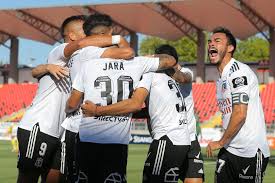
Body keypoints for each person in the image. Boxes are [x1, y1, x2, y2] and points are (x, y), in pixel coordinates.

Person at [17, 14, 132, 183]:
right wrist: (114, 37)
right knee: (28, 178)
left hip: (62, 131)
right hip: (40, 126)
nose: (89, 35)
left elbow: (121, 56)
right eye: (85, 32)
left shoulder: (83, 59)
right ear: (71, 36)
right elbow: (81, 44)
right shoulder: (59, 51)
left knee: (57, 179)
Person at [66, 38, 177, 182]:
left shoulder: (88, 65)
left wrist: (69, 109)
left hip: (88, 138)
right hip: (116, 141)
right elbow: (170, 60)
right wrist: (146, 58)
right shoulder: (137, 63)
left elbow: (73, 103)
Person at [60, 14, 134, 183]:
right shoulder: (95, 53)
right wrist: (118, 38)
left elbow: (72, 102)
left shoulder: (76, 55)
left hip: (74, 126)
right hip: (90, 127)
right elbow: (129, 53)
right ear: (105, 34)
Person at [206, 27, 270, 183]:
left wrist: (220, 142)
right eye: (209, 42)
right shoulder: (221, 79)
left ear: (230, 48)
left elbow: (240, 114)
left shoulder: (238, 72)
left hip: (250, 151)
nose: (211, 44)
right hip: (229, 150)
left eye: (217, 41)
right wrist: (224, 144)